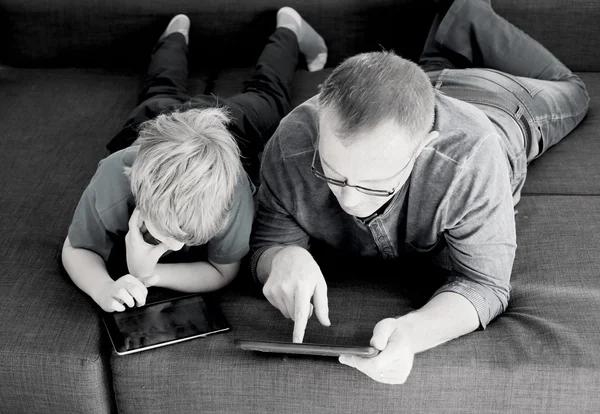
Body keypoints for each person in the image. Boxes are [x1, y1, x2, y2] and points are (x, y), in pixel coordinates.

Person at [249, 0, 589, 384]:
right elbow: (266, 243)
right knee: (429, 73)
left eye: (373, 183)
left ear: (423, 148)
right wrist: (283, 256)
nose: (349, 200)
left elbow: (486, 284)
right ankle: (454, 32)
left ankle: (467, 11)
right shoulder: (293, 142)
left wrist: (413, 333)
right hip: (412, 90)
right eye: (332, 172)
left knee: (577, 91)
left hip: (502, 103)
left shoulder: (471, 159)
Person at [62, 8, 328, 313]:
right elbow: (76, 248)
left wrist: (148, 274)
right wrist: (102, 288)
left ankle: (289, 28)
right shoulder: (112, 181)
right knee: (159, 88)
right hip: (154, 124)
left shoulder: (235, 198)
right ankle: (174, 34)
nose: (174, 248)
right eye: (160, 236)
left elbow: (222, 271)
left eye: (184, 239)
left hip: (231, 128)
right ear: (138, 197)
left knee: (270, 95)